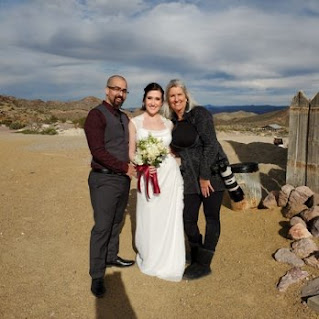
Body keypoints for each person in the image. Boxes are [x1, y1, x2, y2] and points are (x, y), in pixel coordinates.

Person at [162, 79, 229, 280]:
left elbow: (211, 145)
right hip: (188, 178)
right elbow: (180, 148)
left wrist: (204, 176)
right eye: (172, 95)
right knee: (188, 218)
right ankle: (196, 251)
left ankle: (204, 262)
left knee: (211, 217)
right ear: (168, 100)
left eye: (179, 95)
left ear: (186, 96)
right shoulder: (173, 122)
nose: (176, 99)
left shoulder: (200, 114)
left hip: (211, 176)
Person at [84, 75, 135, 298]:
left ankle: (111, 256)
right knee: (102, 226)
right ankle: (97, 275)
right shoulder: (96, 115)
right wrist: (124, 167)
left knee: (116, 221)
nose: (120, 94)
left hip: (122, 180)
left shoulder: (124, 118)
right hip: (104, 179)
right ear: (106, 90)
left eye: (124, 91)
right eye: (116, 89)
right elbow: (98, 151)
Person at [128, 82, 185, 282]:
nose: (153, 102)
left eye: (157, 99)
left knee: (170, 217)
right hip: (147, 175)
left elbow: (172, 150)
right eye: (150, 98)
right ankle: (151, 256)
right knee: (149, 215)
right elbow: (131, 151)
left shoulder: (168, 123)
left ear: (162, 102)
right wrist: (143, 163)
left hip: (170, 176)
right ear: (144, 100)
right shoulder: (134, 122)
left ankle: (170, 258)